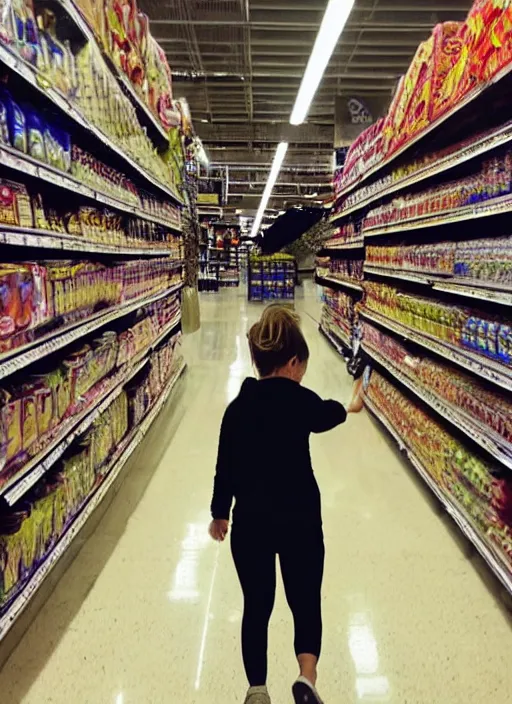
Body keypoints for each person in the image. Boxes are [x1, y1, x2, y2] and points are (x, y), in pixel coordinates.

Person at [209, 304, 360, 704]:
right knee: (305, 599)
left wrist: (219, 513)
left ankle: (257, 689)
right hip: (300, 519)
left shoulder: (237, 410)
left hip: (253, 522)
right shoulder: (299, 400)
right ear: (293, 363)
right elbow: (326, 413)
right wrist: (349, 407)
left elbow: (225, 466)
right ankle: (306, 676)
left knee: (257, 606)